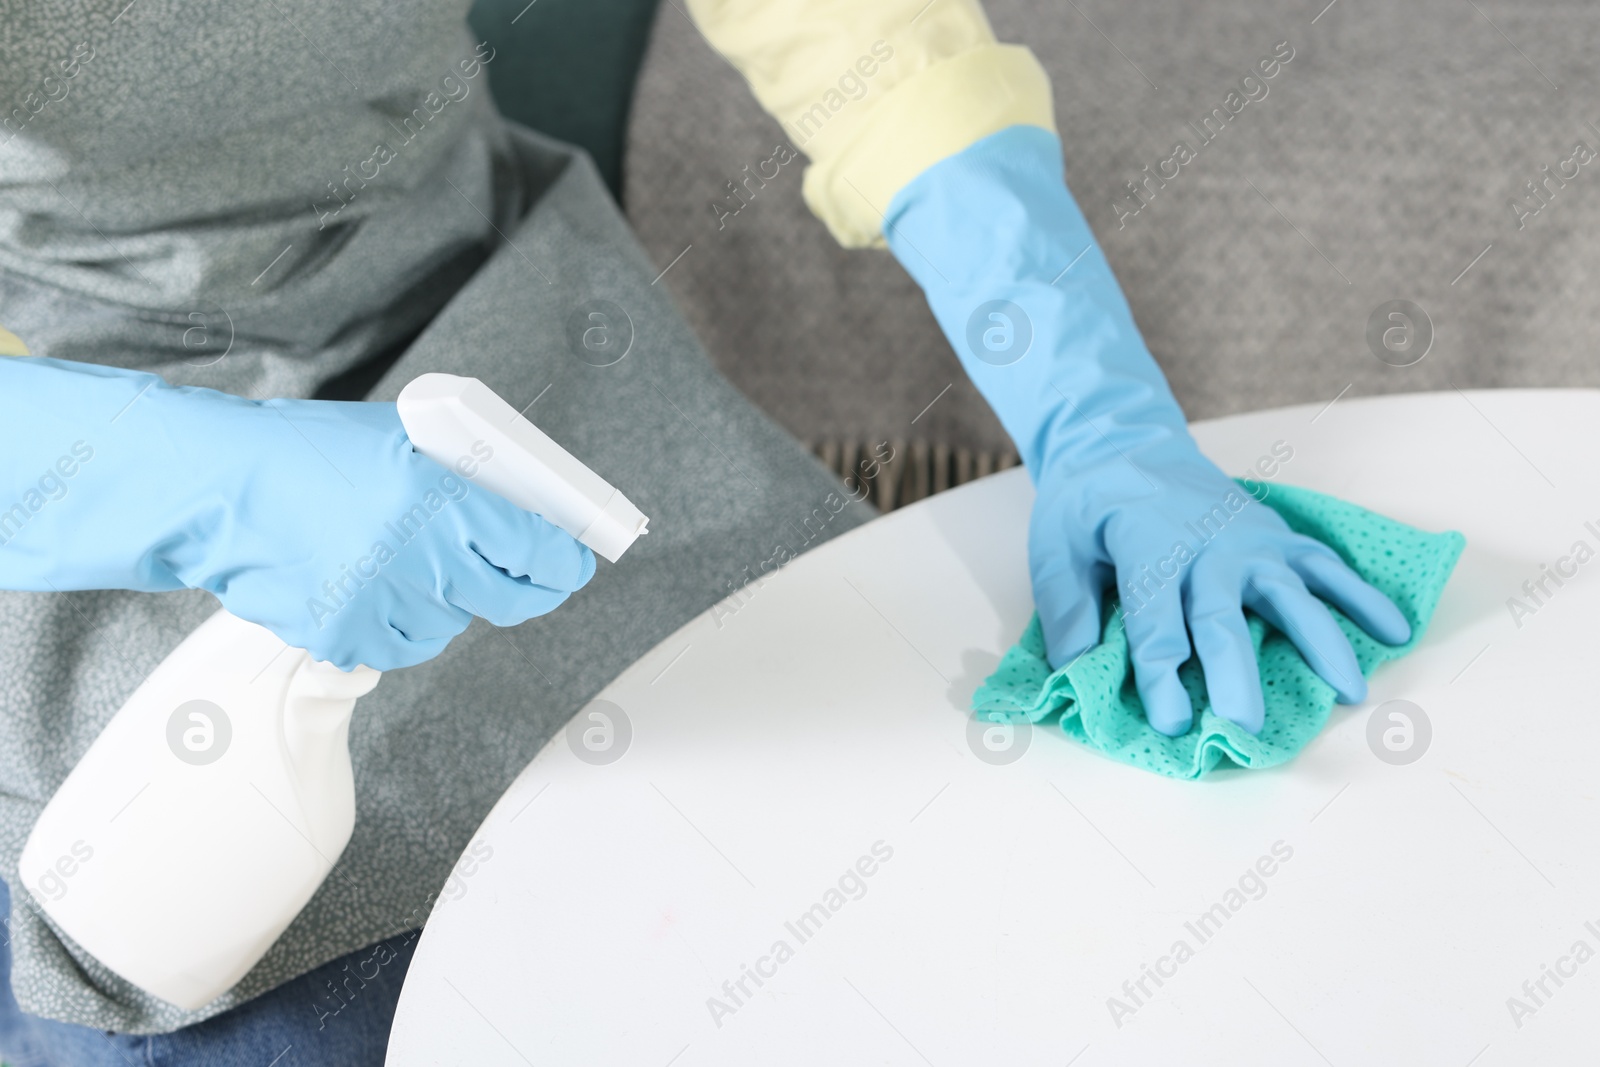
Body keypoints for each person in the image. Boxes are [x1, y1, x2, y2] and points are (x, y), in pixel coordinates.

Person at [0, 0, 1410, 1061]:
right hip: (78, 465)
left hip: (509, 334)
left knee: (963, 886)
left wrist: (1091, 400)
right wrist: (209, 490)